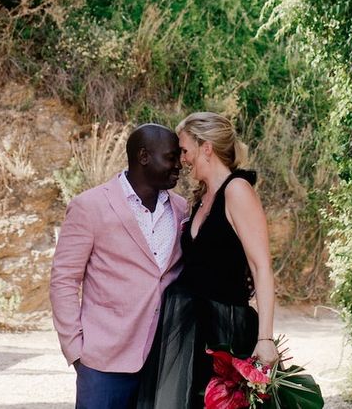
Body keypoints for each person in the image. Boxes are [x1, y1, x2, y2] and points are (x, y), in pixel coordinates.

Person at [138, 111, 279, 409]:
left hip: (222, 329)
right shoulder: (202, 198)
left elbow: (261, 267)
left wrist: (265, 338)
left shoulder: (237, 191)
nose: (181, 160)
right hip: (188, 328)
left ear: (207, 148)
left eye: (185, 150)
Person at [49, 123, 188, 409]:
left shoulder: (181, 208)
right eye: (171, 157)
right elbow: (64, 279)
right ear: (144, 156)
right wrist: (76, 350)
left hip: (162, 362)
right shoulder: (89, 206)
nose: (179, 166)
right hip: (103, 362)